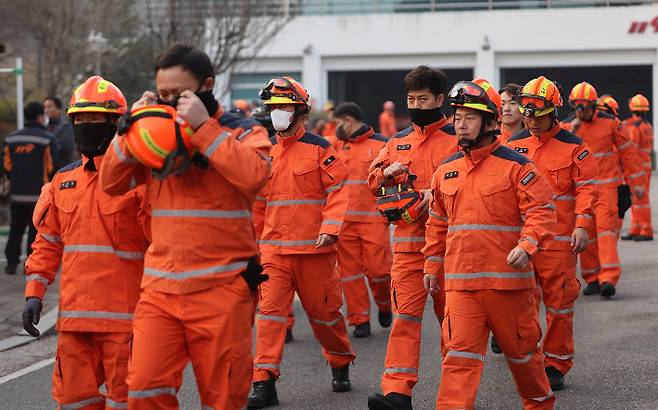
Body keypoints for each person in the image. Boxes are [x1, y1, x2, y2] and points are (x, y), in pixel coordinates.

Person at [100, 44, 272, 410]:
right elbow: (110, 184)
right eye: (163, 94)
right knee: (144, 391)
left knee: (223, 399)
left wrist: (203, 128)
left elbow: (256, 176)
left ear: (207, 86)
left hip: (222, 290)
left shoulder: (241, 131)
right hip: (160, 291)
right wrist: (127, 133)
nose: (170, 102)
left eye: (179, 95)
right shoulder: (154, 132)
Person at [424, 78, 557, 410]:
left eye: (469, 117)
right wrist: (430, 265)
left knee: (525, 361)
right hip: (461, 287)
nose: (460, 124)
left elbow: (541, 211)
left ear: (490, 122)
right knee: (457, 362)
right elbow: (437, 222)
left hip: (507, 287)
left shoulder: (517, 166)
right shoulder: (446, 171)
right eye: (457, 117)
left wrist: (528, 244)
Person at [22, 76, 149, 410]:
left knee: (129, 402)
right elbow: (47, 243)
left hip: (127, 322)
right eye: (80, 120)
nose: (86, 126)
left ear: (115, 124)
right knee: (74, 401)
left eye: (95, 120)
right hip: (75, 323)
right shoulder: (62, 182)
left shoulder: (141, 179)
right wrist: (34, 293)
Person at [248, 76, 355, 409]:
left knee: (326, 317)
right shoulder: (265, 153)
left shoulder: (321, 149)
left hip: (315, 250)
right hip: (274, 251)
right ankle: (263, 380)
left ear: (299, 110)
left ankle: (339, 360)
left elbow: (339, 190)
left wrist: (331, 226)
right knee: (269, 316)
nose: (278, 112)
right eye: (274, 107)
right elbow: (259, 204)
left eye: (284, 106)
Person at [367, 66, 457, 410]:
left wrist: (433, 195)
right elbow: (372, 181)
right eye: (411, 99)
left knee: (453, 325)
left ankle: (454, 396)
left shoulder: (457, 138)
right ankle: (397, 393)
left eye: (423, 99)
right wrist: (384, 173)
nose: (417, 105)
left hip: (450, 249)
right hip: (407, 248)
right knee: (404, 320)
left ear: (439, 99)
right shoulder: (397, 141)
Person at [507, 76, 598, 390]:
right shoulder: (513, 145)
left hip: (560, 243)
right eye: (527, 115)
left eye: (538, 116)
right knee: (522, 305)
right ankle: (530, 358)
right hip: (522, 241)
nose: (531, 122)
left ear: (554, 111)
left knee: (559, 305)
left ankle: (556, 363)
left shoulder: (574, 146)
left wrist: (583, 225)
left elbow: (586, 189)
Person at [562, 82, 644, 298]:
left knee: (606, 232)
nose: (581, 111)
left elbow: (629, 154)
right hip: (582, 190)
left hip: (608, 186)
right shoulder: (568, 127)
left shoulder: (611, 123)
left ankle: (608, 278)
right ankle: (592, 278)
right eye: (577, 107)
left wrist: (636, 185)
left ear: (594, 105)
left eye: (585, 106)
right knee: (585, 234)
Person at [327, 101, 393, 338]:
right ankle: (360, 320)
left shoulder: (382, 145)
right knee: (350, 274)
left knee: (380, 271)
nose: (333, 128)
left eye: (336, 123)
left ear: (347, 121)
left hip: (374, 219)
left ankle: (385, 304)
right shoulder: (335, 146)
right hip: (344, 222)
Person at [2, 102, 61, 275]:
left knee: (16, 228)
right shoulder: (46, 139)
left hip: (17, 195)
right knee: (35, 231)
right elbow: (53, 168)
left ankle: (11, 264)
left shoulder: (12, 139)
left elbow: (6, 166)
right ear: (39, 117)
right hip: (38, 196)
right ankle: (31, 264)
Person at [621, 94, 653, 241]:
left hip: (637, 168)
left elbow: (631, 150)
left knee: (640, 200)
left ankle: (646, 230)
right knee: (637, 199)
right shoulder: (647, 126)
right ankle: (636, 228)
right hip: (644, 166)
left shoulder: (634, 128)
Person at [44, 96, 77, 165]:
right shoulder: (44, 128)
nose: (46, 110)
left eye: (50, 107)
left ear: (59, 109)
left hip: (62, 168)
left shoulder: (66, 127)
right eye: (45, 107)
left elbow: (65, 149)